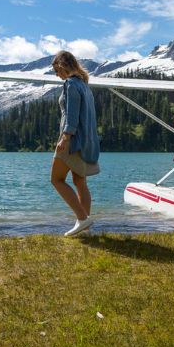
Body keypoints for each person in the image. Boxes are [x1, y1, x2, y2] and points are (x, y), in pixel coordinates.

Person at [51, 50, 100, 237]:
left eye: (57, 70)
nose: (57, 75)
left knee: (56, 179)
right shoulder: (84, 85)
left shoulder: (71, 84)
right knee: (80, 182)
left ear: (63, 66)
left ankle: (82, 218)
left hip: (72, 140)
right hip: (86, 141)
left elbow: (71, 115)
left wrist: (65, 137)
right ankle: (84, 228)